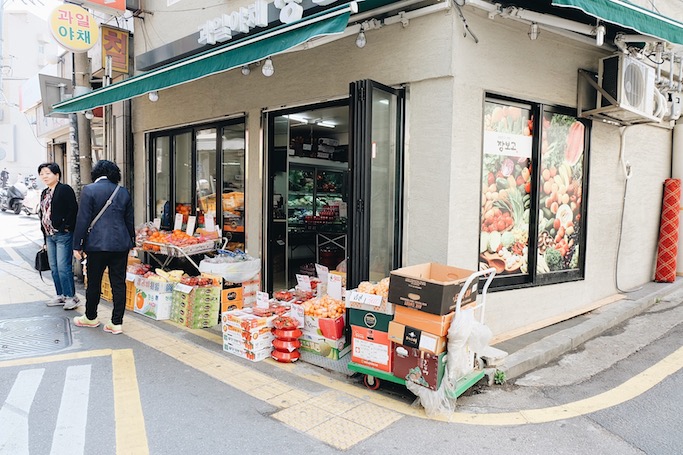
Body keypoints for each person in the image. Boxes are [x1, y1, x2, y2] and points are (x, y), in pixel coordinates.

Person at [72, 160, 135, 334]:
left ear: (96, 173)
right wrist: (132, 242)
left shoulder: (89, 190)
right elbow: (129, 220)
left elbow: (83, 219)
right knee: (118, 283)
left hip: (96, 245)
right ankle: (116, 323)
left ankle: (91, 317)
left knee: (94, 282)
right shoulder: (123, 191)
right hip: (121, 245)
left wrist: (78, 245)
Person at [37, 162, 80, 309]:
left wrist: (65, 227)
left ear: (57, 175)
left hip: (63, 235)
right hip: (49, 236)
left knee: (63, 267)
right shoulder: (45, 192)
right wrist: (44, 238)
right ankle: (60, 295)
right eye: (42, 174)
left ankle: (71, 297)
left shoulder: (64, 189)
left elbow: (73, 210)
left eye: (48, 173)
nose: (44, 176)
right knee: (54, 267)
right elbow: (43, 214)